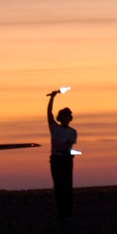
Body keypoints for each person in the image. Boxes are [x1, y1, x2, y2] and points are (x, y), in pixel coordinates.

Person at [47, 90, 77, 220]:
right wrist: (52, 98)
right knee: (59, 186)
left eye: (68, 116)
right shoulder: (55, 128)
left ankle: (67, 211)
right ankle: (61, 211)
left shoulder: (72, 132)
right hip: (57, 159)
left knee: (67, 187)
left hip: (66, 160)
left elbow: (68, 146)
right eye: (64, 116)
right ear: (61, 118)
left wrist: (70, 151)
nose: (66, 118)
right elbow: (49, 114)